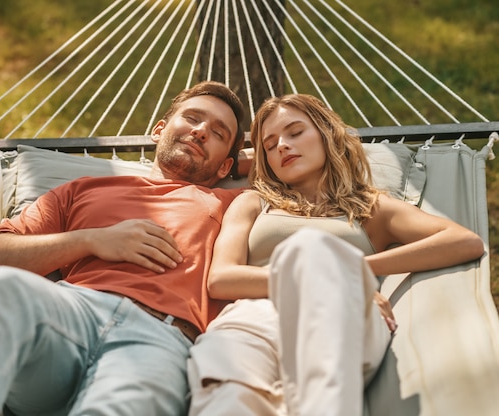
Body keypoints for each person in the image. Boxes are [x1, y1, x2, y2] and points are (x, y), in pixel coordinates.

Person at [0, 81, 247, 416]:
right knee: (4, 288)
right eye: (191, 118)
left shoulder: (234, 203)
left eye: (218, 134)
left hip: (159, 338)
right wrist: (94, 240)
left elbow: (288, 161)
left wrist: (251, 159)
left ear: (225, 168)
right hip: (70, 313)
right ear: (158, 130)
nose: (201, 131)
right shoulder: (81, 190)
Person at [187, 94, 485, 416]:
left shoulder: (372, 208)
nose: (282, 146)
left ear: (327, 131)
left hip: (343, 312)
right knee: (227, 397)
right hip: (254, 320)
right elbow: (221, 279)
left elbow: (462, 241)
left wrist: (348, 272)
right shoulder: (253, 202)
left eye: (295, 132)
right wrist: (323, 276)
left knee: (311, 249)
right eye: (270, 146)